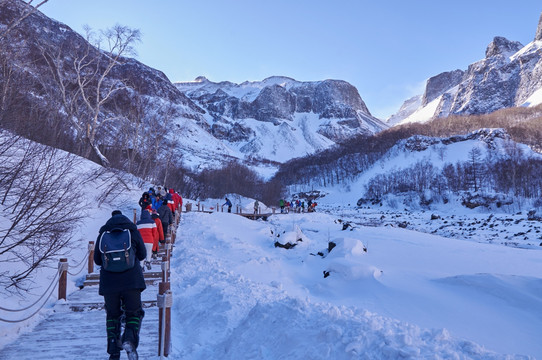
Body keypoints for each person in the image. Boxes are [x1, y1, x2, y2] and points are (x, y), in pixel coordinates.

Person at [94, 210, 146, 360]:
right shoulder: (132, 232)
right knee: (134, 313)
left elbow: (97, 261)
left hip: (109, 284)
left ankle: (113, 350)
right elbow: (142, 254)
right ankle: (129, 338)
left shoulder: (103, 235)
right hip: (132, 281)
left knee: (112, 315)